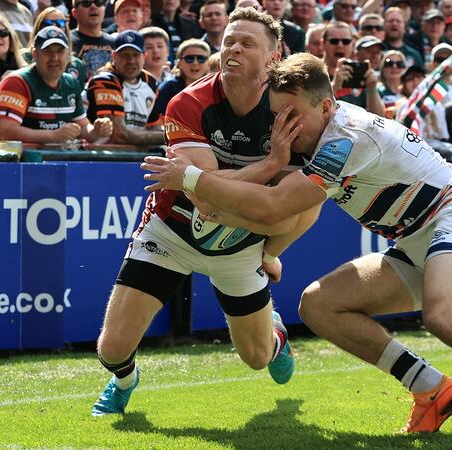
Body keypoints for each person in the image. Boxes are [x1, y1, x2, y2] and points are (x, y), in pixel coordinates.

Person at [141, 52, 452, 450]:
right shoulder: (309, 136)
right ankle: (431, 388)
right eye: (276, 115)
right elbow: (288, 209)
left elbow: (276, 205)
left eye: (292, 114)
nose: (282, 126)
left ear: (327, 106)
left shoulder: (344, 140)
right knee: (319, 305)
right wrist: (264, 241)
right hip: (414, 238)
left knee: (445, 314)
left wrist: (194, 181)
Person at [90, 7, 319, 417]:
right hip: (172, 230)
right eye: (229, 40)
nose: (233, 48)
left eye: (247, 43)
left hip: (239, 240)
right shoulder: (188, 102)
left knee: (257, 358)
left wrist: (264, 242)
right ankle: (124, 380)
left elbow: (293, 199)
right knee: (111, 348)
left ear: (274, 56)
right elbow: (206, 199)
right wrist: (267, 167)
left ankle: (276, 334)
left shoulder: (291, 109)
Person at [0, 26, 113, 144]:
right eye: (48, 51)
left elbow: (82, 128)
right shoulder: (16, 82)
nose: (54, 58)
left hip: (59, 158)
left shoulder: (71, 83)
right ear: (34, 54)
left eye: (60, 51)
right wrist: (53, 135)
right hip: (25, 160)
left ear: (68, 56)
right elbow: (6, 132)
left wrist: (97, 130)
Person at [83, 30, 163, 147]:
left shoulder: (150, 82)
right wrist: (171, 137)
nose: (131, 61)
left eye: (136, 55)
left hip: (133, 155)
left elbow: (153, 126)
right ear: (113, 56)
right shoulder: (105, 80)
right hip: (100, 155)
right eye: (125, 55)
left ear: (144, 56)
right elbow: (120, 135)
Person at [149, 38, 210, 124]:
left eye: (201, 58)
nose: (195, 63)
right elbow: (158, 123)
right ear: (179, 63)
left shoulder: (214, 88)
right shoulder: (169, 88)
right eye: (189, 58)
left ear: (208, 63)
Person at [24, 7, 88, 85]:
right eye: (48, 23)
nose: (54, 26)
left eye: (60, 23)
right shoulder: (23, 57)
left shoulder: (77, 64)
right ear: (39, 27)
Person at [71, 0, 116, 80]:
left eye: (98, 2)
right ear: (74, 13)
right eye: (86, 3)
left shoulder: (114, 43)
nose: (93, 7)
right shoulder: (67, 42)